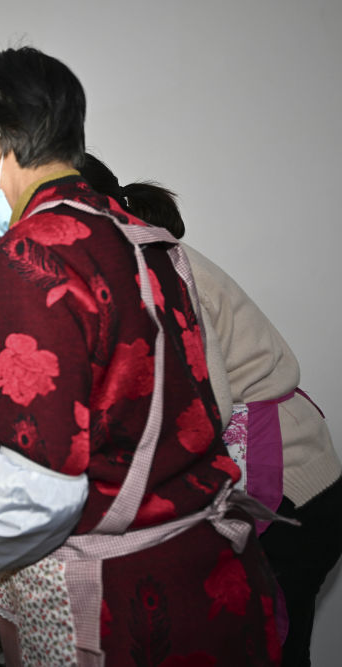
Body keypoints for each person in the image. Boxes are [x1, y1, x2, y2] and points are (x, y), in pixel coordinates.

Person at [0, 47, 282, 666]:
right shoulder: (149, 241)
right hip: (209, 569)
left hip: (114, 601)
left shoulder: (30, 257)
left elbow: (33, 492)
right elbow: (201, 408)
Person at [80, 152, 342, 667]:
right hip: (291, 479)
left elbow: (197, 406)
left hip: (287, 488)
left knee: (266, 649)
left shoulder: (150, 268)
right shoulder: (137, 260)